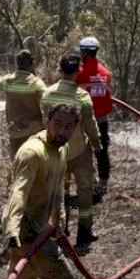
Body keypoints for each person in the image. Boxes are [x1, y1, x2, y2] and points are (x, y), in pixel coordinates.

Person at [0, 103, 88, 279]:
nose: (62, 131)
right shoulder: (32, 152)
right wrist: (12, 231)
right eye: (58, 124)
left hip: (42, 230)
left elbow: (57, 191)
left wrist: (60, 222)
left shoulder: (61, 149)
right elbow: (18, 193)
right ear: (48, 121)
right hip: (28, 232)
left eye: (69, 127)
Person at [41, 51, 103, 252]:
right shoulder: (82, 97)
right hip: (79, 152)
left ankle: (61, 232)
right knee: (85, 192)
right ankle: (84, 235)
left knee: (60, 192)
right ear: (78, 71)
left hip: (56, 151)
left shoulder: (47, 94)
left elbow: (44, 123)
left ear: (60, 70)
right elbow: (90, 125)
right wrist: (97, 145)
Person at [0, 49, 46, 159]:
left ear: (17, 64)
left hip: (14, 133)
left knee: (17, 163)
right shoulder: (36, 83)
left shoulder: (8, 81)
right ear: (32, 64)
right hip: (34, 132)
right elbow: (47, 98)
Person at [77, 36, 114, 202]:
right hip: (102, 120)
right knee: (102, 151)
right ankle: (103, 183)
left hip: (83, 120)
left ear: (84, 53)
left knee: (82, 152)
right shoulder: (106, 73)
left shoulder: (80, 73)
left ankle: (89, 182)